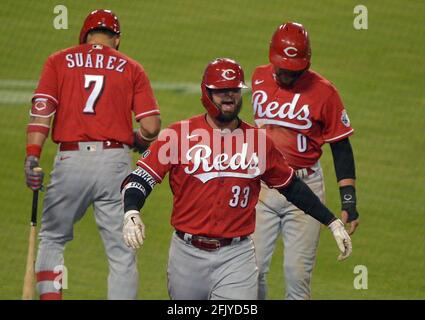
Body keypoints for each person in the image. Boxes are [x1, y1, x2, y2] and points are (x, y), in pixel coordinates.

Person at [120, 58, 351, 300]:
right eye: (220, 91)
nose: (228, 96)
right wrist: (131, 212)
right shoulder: (179, 135)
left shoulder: (259, 141)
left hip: (237, 257)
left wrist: (331, 221)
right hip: (186, 256)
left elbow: (291, 187)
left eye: (234, 90)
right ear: (206, 93)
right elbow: (140, 178)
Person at [24, 9, 161, 300]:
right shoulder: (131, 67)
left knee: (53, 238)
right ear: (117, 39)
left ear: (84, 36)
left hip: (70, 161)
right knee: (122, 252)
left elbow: (42, 112)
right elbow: (151, 126)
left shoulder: (58, 60)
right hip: (115, 163)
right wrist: (138, 138)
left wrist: (32, 155)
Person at [251, 22, 360, 300]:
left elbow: (341, 147)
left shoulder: (325, 92)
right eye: (282, 66)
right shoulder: (258, 78)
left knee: (297, 275)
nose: (286, 73)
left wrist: (349, 201)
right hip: (261, 186)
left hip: (306, 186)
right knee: (252, 271)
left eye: (293, 68)